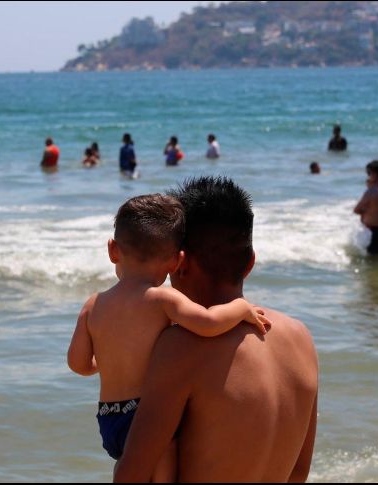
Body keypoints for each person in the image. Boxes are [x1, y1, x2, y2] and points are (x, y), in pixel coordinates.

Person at [114, 177, 318, 483]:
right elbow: (299, 472)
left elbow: (132, 477)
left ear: (177, 263)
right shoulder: (300, 337)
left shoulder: (182, 346)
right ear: (249, 262)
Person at [67, 194, 271, 482]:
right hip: (144, 414)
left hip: (109, 417)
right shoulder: (162, 298)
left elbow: (77, 363)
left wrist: (105, 363)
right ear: (178, 261)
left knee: (127, 462)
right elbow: (208, 322)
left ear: (113, 250)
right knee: (165, 456)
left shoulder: (93, 304)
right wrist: (240, 309)